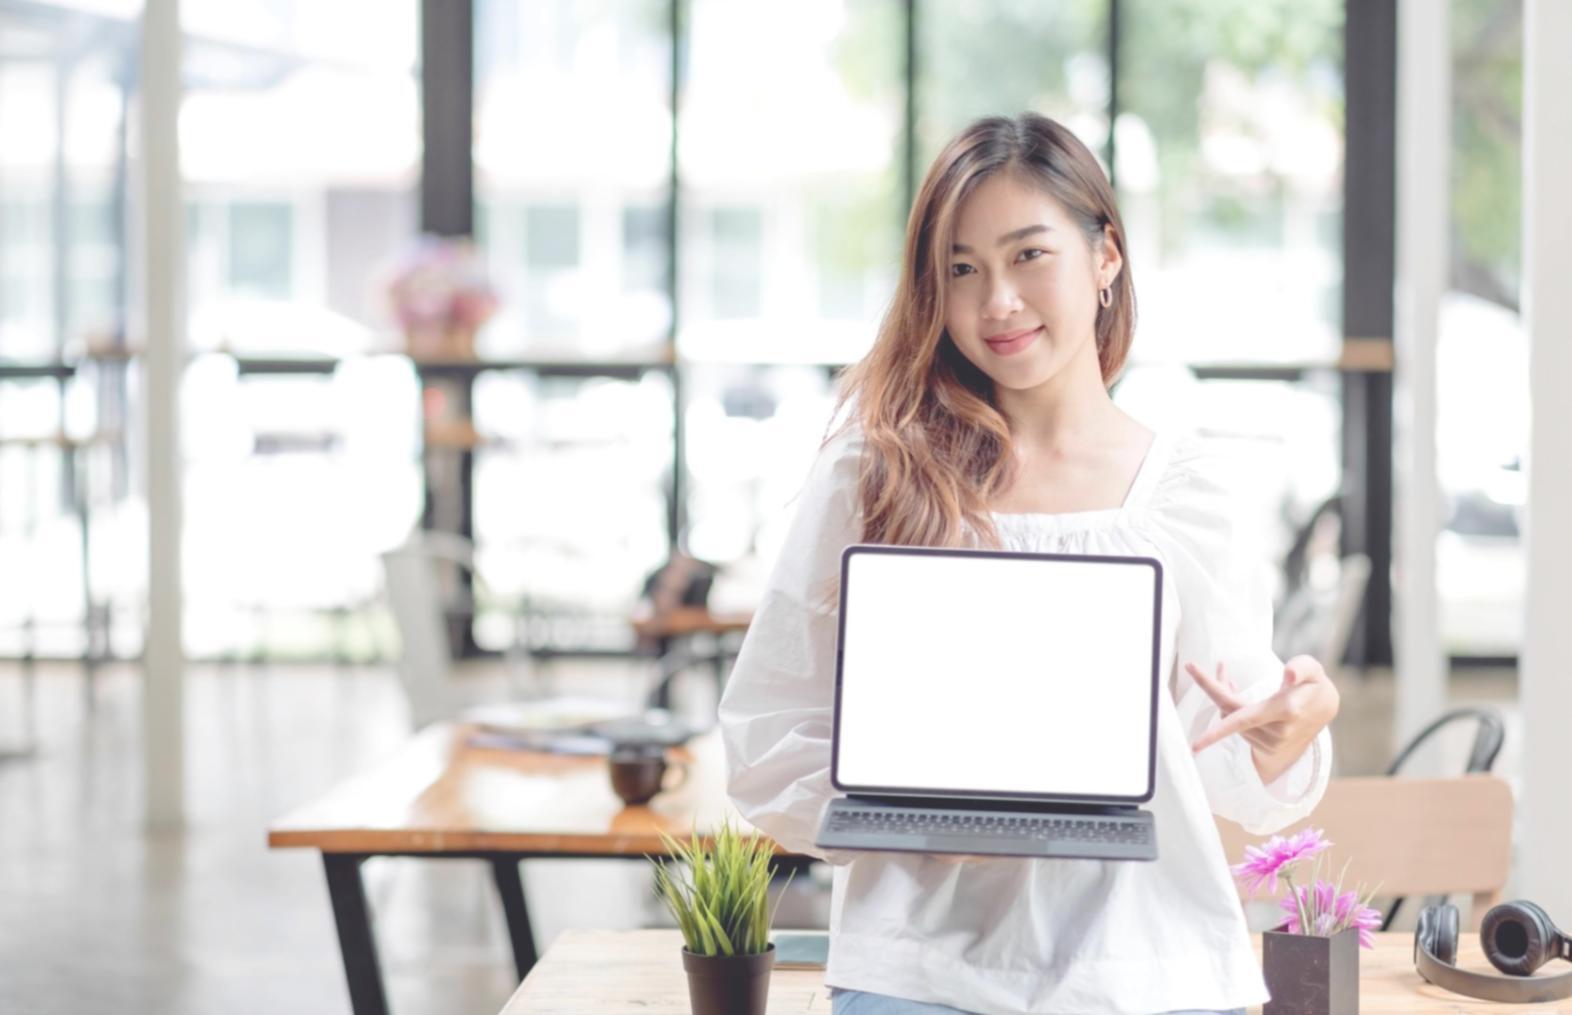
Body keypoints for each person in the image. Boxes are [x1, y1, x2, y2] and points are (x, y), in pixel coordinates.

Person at [716, 113, 1340, 1015]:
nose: (996, 301)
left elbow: (1228, 760)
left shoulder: (1191, 493)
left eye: (1028, 255)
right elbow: (766, 733)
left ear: (1107, 259)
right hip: (917, 967)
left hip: (1147, 967)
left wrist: (1281, 738)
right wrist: (911, 826)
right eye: (961, 269)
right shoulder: (876, 474)